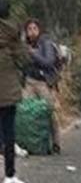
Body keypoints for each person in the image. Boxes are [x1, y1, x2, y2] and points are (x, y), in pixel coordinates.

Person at [0, 0, 29, 183]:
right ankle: (9, 176)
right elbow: (23, 58)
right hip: (7, 90)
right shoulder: (12, 31)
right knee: (8, 132)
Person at [22, 18, 62, 154]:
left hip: (44, 82)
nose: (32, 32)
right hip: (28, 81)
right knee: (28, 113)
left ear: (39, 30)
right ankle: (33, 144)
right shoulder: (24, 44)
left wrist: (33, 53)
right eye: (29, 29)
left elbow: (49, 62)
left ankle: (56, 143)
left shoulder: (46, 43)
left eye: (34, 28)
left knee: (49, 112)